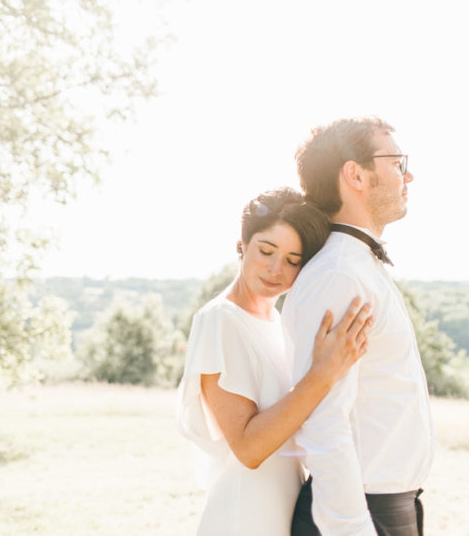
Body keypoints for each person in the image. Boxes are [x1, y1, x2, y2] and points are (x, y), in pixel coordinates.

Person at [176, 187, 374, 536]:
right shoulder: (219, 319)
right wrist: (323, 374)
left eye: (292, 260)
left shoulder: (278, 323)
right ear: (243, 243)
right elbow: (249, 449)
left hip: (286, 507)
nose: (275, 269)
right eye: (266, 251)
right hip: (244, 514)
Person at [282, 117, 434, 536]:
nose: (409, 175)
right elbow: (324, 418)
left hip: (384, 506)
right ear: (355, 174)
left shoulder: (357, 266)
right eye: (397, 162)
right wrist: (352, 527)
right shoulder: (340, 275)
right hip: (357, 514)